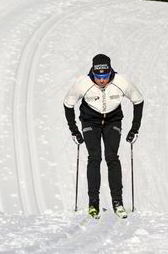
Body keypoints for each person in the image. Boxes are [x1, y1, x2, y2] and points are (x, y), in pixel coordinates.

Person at [63, 54, 144, 218]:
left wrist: (135, 128)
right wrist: (74, 130)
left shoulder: (121, 81)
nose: (101, 81)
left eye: (105, 77)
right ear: (93, 72)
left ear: (110, 72)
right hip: (90, 120)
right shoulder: (83, 83)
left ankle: (118, 203)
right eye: (98, 77)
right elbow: (68, 103)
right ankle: (93, 204)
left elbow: (139, 100)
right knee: (94, 158)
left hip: (112, 120)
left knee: (112, 157)